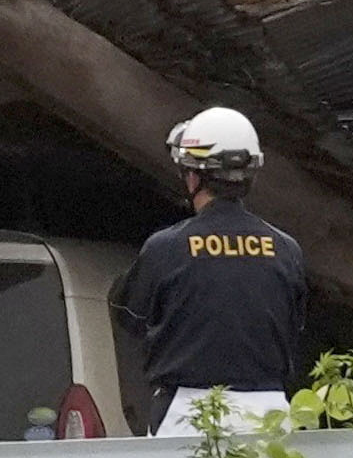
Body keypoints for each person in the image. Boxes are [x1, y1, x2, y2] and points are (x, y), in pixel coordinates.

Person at [116, 106, 306, 437]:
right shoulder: (287, 249)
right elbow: (294, 328)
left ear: (193, 175)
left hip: (185, 417)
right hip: (269, 416)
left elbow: (129, 317)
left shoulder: (166, 247)